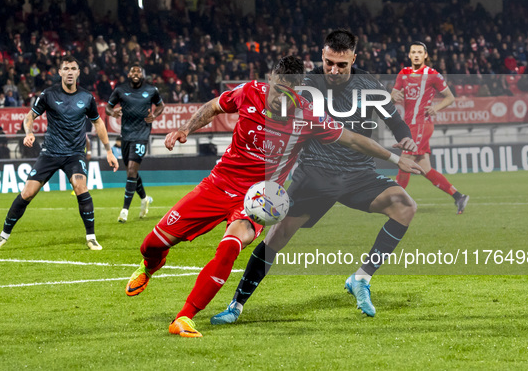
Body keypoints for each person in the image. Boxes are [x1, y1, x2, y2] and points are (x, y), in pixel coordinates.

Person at [124, 55, 423, 338]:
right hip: (217, 184)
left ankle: (185, 316)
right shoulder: (249, 92)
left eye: (291, 92)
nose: (283, 98)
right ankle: (151, 264)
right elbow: (214, 106)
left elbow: (353, 138)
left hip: (257, 199)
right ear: (271, 79)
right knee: (151, 244)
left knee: (230, 247)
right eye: (279, 89)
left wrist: (396, 160)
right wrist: (185, 128)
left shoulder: (307, 115)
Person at [211, 30, 420, 325]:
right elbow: (274, 116)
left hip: (360, 174)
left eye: (341, 65)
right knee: (277, 238)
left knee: (405, 206)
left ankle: (360, 278)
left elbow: (396, 123)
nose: (333, 70)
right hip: (315, 175)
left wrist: (406, 140)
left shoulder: (370, 86)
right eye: (329, 62)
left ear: (353, 59)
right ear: (322, 56)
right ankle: (236, 305)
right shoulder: (305, 85)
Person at [0, 55, 119, 253]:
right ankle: (3, 235)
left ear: (78, 72)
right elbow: (29, 116)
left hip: (74, 153)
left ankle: (91, 237)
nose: (70, 72)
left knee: (81, 187)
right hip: (50, 153)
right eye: (66, 68)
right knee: (27, 193)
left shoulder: (87, 97)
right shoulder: (48, 94)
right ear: (60, 72)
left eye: (73, 68)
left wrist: (109, 151)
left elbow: (98, 122)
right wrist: (29, 132)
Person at [391, 41, 469, 214]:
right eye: (414, 52)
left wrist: (435, 108)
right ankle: (458, 196)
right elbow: (393, 96)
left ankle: (397, 202)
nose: (417, 55)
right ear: (409, 55)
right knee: (425, 168)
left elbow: (450, 98)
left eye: (420, 52)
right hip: (409, 124)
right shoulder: (403, 74)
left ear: (425, 55)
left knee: (405, 160)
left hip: (422, 125)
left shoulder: (433, 75)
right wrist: (393, 96)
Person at [106, 64, 164, 223]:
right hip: (126, 135)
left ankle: (124, 211)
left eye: (139, 71)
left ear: (142, 74)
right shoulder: (120, 90)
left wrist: (155, 114)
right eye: (133, 71)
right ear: (129, 74)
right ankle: (144, 198)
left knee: (132, 170)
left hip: (142, 134)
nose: (136, 73)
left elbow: (161, 106)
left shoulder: (152, 90)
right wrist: (113, 112)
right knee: (131, 172)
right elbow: (107, 108)